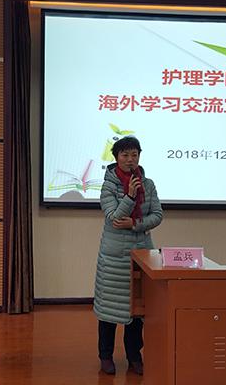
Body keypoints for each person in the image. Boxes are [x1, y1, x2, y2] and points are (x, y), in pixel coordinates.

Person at [93, 136, 163, 376]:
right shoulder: (108, 186)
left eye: (134, 155)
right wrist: (130, 196)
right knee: (109, 311)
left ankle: (134, 356)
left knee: (137, 311)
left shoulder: (149, 184)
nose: (130, 160)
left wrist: (134, 224)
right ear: (116, 158)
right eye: (125, 155)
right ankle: (105, 356)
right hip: (113, 257)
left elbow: (157, 215)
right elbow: (114, 218)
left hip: (141, 254)